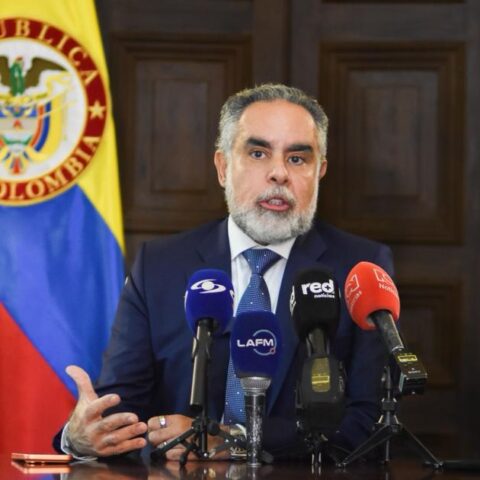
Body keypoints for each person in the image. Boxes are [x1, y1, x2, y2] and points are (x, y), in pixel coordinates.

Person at [54, 83, 393, 461]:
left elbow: (368, 423)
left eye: (298, 159)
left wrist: (234, 440)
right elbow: (121, 415)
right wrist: (80, 438)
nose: (279, 173)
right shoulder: (159, 267)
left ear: (320, 172)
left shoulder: (359, 270)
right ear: (222, 167)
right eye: (258, 153)